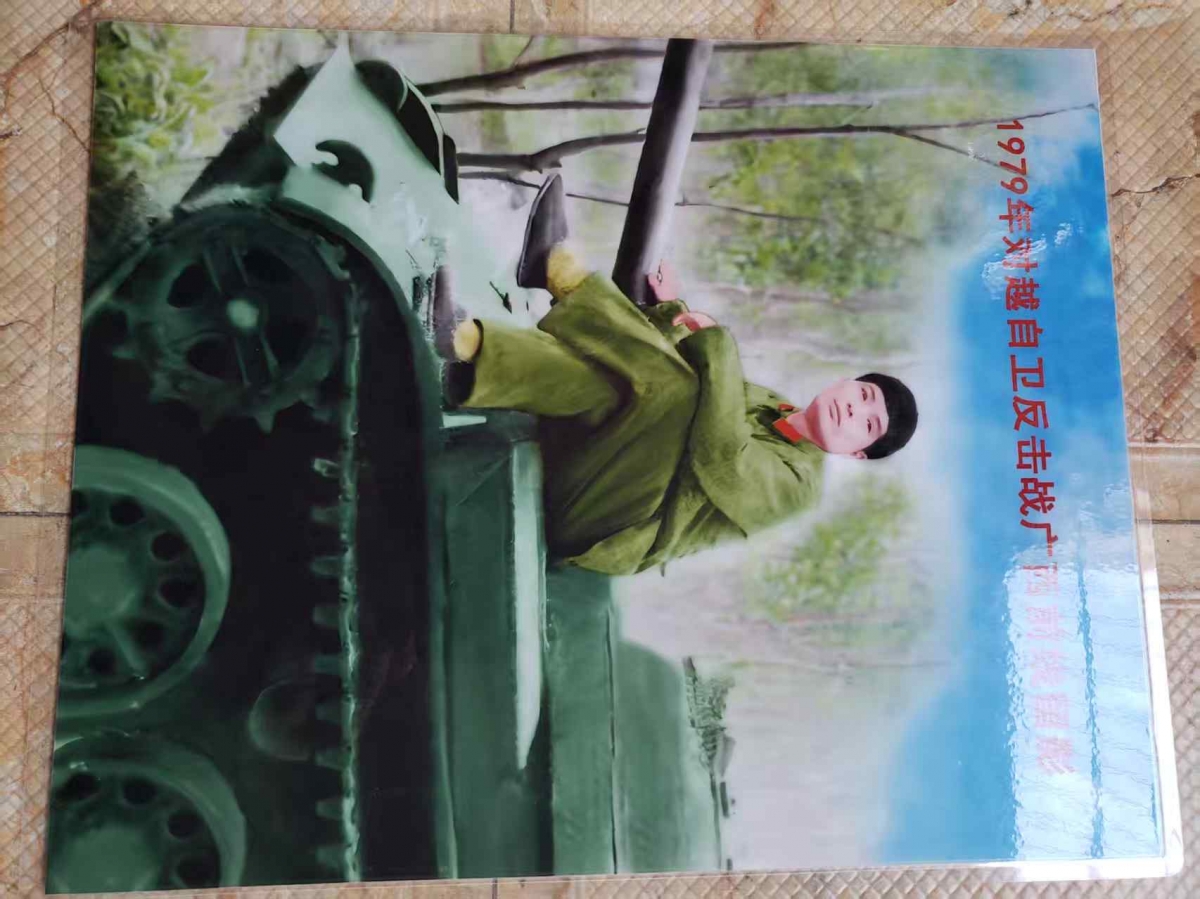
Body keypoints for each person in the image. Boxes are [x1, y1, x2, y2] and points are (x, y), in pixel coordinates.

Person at [433, 175, 918, 576]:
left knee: (681, 394)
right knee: (619, 387)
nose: (853, 409)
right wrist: (675, 311)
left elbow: (719, 455)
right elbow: (678, 377)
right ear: (845, 383)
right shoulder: (773, 406)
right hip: (592, 457)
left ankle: (563, 278)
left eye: (867, 423)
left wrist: (717, 340)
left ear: (857, 452)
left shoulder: (798, 489)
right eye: (863, 394)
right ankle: (467, 348)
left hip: (601, 525)